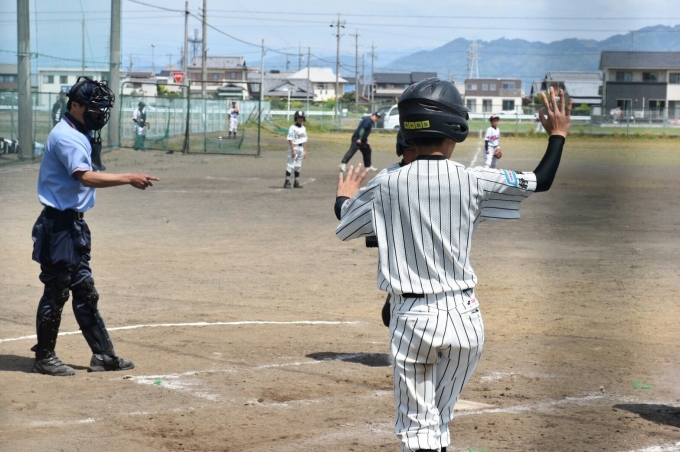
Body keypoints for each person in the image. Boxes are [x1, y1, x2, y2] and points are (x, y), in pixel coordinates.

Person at [334, 79, 572, 452]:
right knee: (438, 421)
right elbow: (541, 181)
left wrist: (344, 196)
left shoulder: (386, 184)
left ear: (407, 131)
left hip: (412, 319)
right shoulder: (473, 179)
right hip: (465, 318)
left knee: (418, 429)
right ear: (454, 128)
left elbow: (347, 224)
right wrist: (557, 135)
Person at [31, 76, 160, 377]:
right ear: (75, 105)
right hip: (58, 226)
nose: (99, 113)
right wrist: (129, 178)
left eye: (101, 108)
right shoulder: (66, 136)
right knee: (57, 291)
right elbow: (85, 177)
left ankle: (103, 356)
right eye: (94, 107)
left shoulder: (80, 132)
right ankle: (44, 357)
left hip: (73, 226)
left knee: (85, 291)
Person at [360, 131, 418, 327]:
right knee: (391, 314)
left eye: (419, 148)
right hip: (399, 252)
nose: (416, 154)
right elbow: (368, 213)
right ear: (401, 150)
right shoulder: (387, 177)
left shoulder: (434, 174)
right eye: (411, 150)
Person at [284, 110, 308, 189]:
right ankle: (287, 181)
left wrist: (305, 151)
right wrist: (293, 149)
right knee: (291, 164)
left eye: (302, 118)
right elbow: (290, 138)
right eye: (299, 118)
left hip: (301, 148)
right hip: (294, 147)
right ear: (296, 118)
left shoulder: (303, 128)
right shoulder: (292, 128)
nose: (300, 119)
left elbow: (304, 140)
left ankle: (296, 182)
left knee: (298, 165)